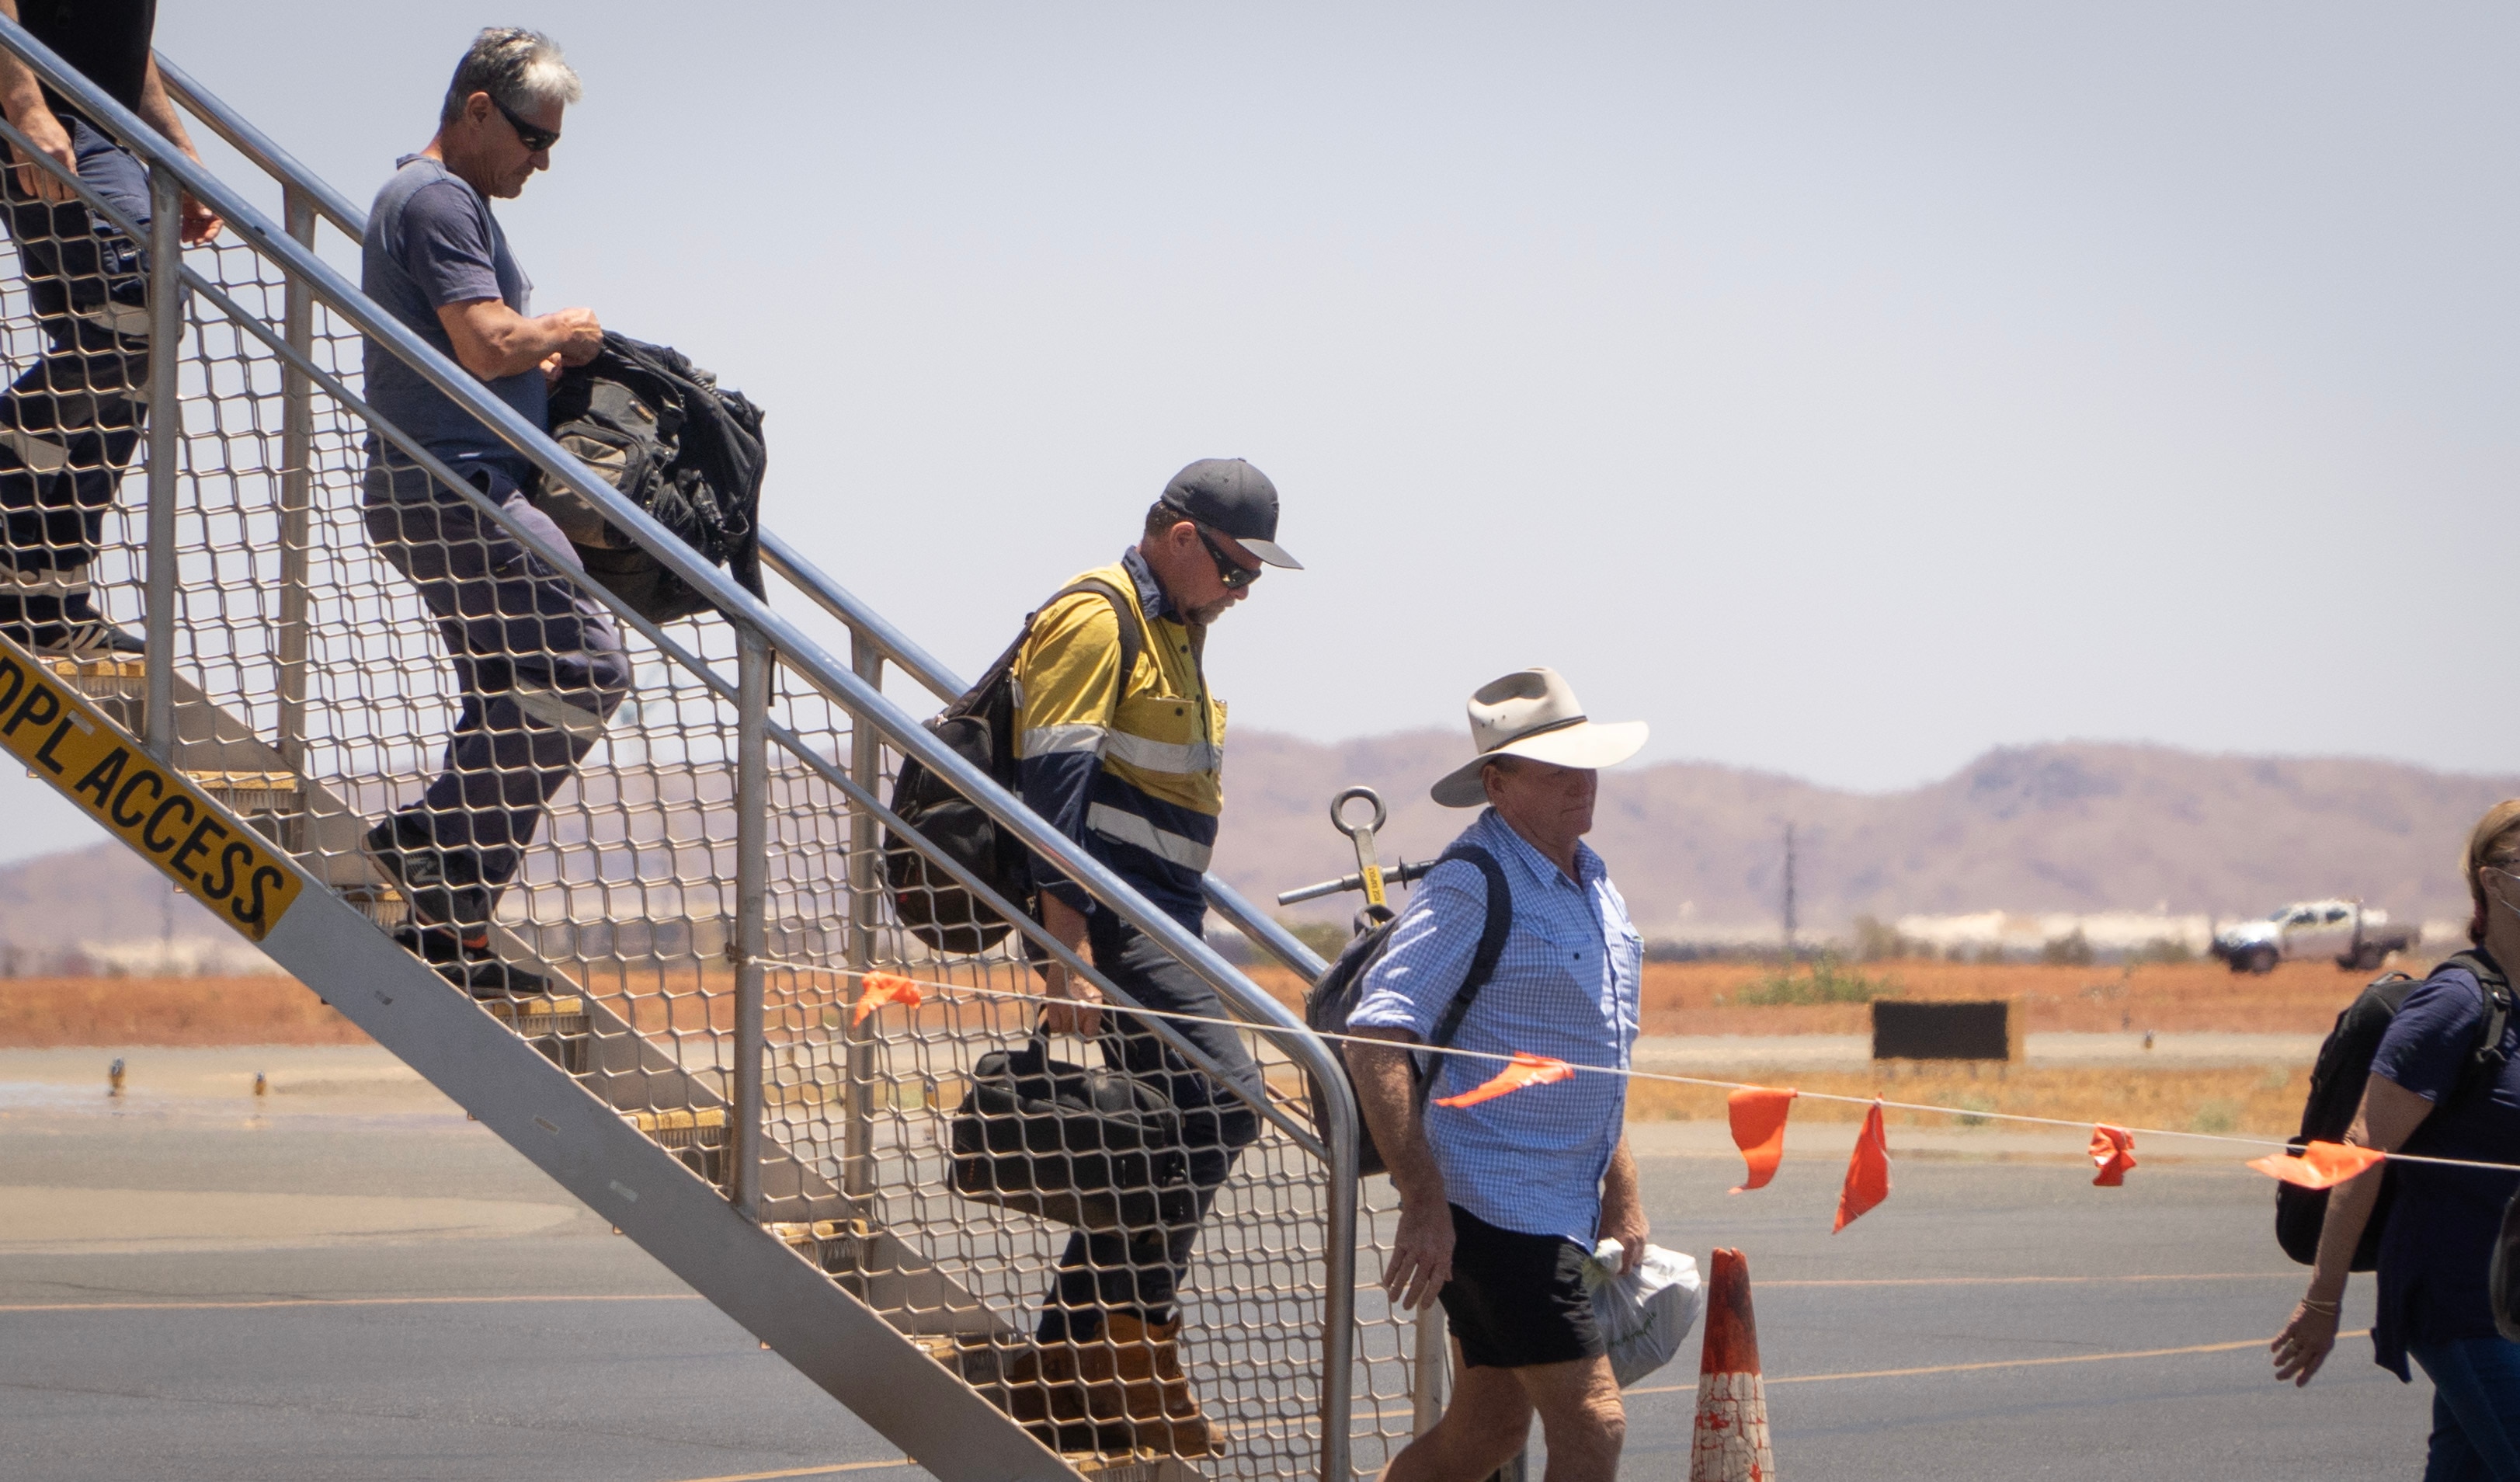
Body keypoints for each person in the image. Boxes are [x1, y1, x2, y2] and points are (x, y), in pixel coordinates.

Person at [1005, 456, 1302, 1457]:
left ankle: (1067, 1358)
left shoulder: (1177, 630)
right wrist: (1067, 945)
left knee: (1173, 1126)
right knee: (1221, 1100)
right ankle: (1123, 1345)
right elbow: (1049, 785)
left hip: (1161, 917)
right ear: (1179, 537)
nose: (1243, 592)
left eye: (1254, 577)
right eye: (1232, 568)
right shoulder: (1100, 617)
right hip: (1112, 919)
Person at [356, 28, 625, 997]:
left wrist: (533, 365)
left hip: (446, 482)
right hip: (457, 485)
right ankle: (427, 841)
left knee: (507, 695)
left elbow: (476, 347)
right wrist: (559, 330)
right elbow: (481, 341)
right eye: (531, 138)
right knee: (585, 666)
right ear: (476, 111)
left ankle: (452, 927)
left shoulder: (442, 201)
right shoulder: (435, 198)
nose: (541, 161)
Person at [1347, 666, 1650, 1482]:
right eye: (1553, 768)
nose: (1579, 782)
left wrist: (1619, 1191)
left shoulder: (1594, 882)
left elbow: (1595, 1058)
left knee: (1485, 1430)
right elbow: (1375, 1033)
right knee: (1594, 1426)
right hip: (1493, 1206)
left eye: (1583, 762)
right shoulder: (1473, 882)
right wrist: (1422, 1197)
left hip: (1555, 1205)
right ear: (1496, 781)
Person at [2273, 798, 2520, 1480]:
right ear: (2491, 883)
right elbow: (2360, 1146)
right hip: (2457, 1301)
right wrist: (2322, 1301)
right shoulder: (2456, 1005)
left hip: (2510, 1301)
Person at [0, 0, 221, 658]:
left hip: (102, 124)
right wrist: (27, 106)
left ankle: (43, 597)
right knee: (137, 304)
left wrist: (176, 150)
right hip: (45, 112)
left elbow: (126, 36)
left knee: (129, 362)